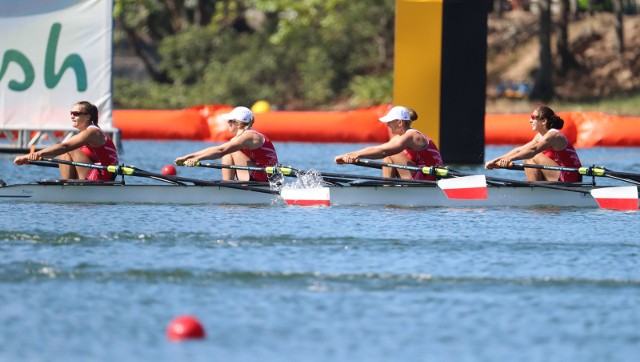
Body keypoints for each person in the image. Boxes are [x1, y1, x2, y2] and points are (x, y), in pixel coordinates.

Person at [14, 101, 119, 181]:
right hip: (98, 172)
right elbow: (57, 152)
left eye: (76, 113)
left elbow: (65, 147)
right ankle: (67, 185)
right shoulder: (87, 133)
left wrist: (31, 155)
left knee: (68, 149)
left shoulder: (92, 132)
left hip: (104, 175)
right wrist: (33, 159)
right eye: (71, 113)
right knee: (65, 153)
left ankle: (66, 187)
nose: (72, 116)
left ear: (87, 117)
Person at [334, 106, 443, 180]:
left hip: (431, 177)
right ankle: (387, 189)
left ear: (400, 122)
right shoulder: (398, 138)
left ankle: (388, 193)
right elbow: (378, 150)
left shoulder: (412, 135)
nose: (388, 125)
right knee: (387, 158)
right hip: (421, 174)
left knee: (391, 153)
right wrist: (349, 155)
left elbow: (383, 151)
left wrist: (355, 155)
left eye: (390, 122)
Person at [175, 106, 278, 181]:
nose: (228, 123)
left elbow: (220, 151)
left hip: (265, 177)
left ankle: (227, 186)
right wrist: (189, 157)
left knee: (229, 152)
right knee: (228, 150)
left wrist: (197, 158)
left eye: (230, 121)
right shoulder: (242, 137)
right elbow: (218, 148)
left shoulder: (248, 136)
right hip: (261, 174)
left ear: (239, 124)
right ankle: (228, 185)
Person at [485, 105, 582, 182]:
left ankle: (533, 190)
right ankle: (535, 187)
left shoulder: (553, 135)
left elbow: (533, 150)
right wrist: (496, 160)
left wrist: (509, 159)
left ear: (544, 121)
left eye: (533, 117)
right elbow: (520, 149)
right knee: (527, 156)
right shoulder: (540, 136)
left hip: (570, 176)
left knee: (531, 155)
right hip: (559, 175)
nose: (530, 120)